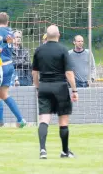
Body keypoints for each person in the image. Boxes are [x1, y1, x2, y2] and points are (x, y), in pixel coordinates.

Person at [32, 25, 78, 159]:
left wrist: (37, 87)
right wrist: (74, 90)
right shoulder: (63, 50)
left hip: (44, 86)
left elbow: (35, 73)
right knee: (63, 120)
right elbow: (69, 73)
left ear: (46, 35)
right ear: (58, 35)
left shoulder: (39, 50)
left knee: (44, 119)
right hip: (60, 87)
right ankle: (64, 151)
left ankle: (42, 150)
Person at [0, 12, 26, 128]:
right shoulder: (11, 32)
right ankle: (20, 119)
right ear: (7, 22)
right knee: (3, 94)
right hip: (10, 65)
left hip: (0, 66)